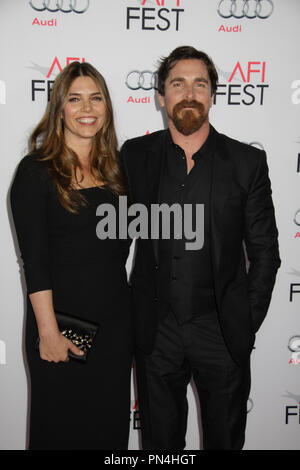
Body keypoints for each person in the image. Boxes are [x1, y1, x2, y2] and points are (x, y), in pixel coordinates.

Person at [120, 46, 280, 450]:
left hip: (221, 333)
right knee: (160, 445)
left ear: (212, 94)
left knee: (225, 441)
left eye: (200, 84)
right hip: (157, 333)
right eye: (178, 83)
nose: (189, 93)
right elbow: (111, 238)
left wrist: (243, 320)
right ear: (160, 95)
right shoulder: (136, 156)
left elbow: (265, 253)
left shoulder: (247, 163)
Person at [10, 62, 133, 450]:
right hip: (62, 324)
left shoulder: (118, 171)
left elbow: (120, 249)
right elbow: (35, 260)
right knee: (62, 430)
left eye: (96, 98)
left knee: (108, 430)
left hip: (114, 326)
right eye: (75, 99)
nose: (87, 108)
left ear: (107, 107)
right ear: (59, 107)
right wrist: (48, 331)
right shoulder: (37, 172)